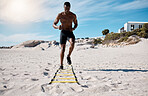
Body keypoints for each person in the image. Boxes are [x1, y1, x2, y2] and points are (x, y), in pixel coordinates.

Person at [53, 2, 78, 69]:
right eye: (65, 8)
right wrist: (57, 27)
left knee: (72, 43)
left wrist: (74, 28)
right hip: (63, 32)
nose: (67, 9)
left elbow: (76, 23)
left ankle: (68, 56)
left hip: (70, 32)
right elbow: (54, 24)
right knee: (63, 49)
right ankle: (61, 65)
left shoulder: (73, 15)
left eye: (68, 8)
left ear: (70, 7)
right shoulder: (60, 15)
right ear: (64, 7)